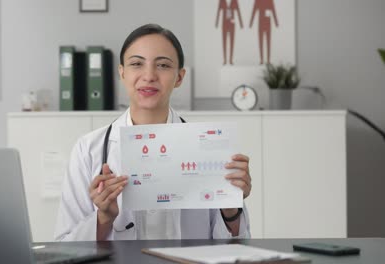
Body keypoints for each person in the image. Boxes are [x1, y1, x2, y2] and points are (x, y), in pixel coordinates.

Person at [54, 24, 252, 241]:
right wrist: (103, 219)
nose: (149, 76)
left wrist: (231, 210)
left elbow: (236, 246)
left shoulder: (209, 148)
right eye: (137, 63)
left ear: (179, 77)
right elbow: (65, 247)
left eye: (163, 65)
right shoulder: (88, 150)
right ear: (122, 73)